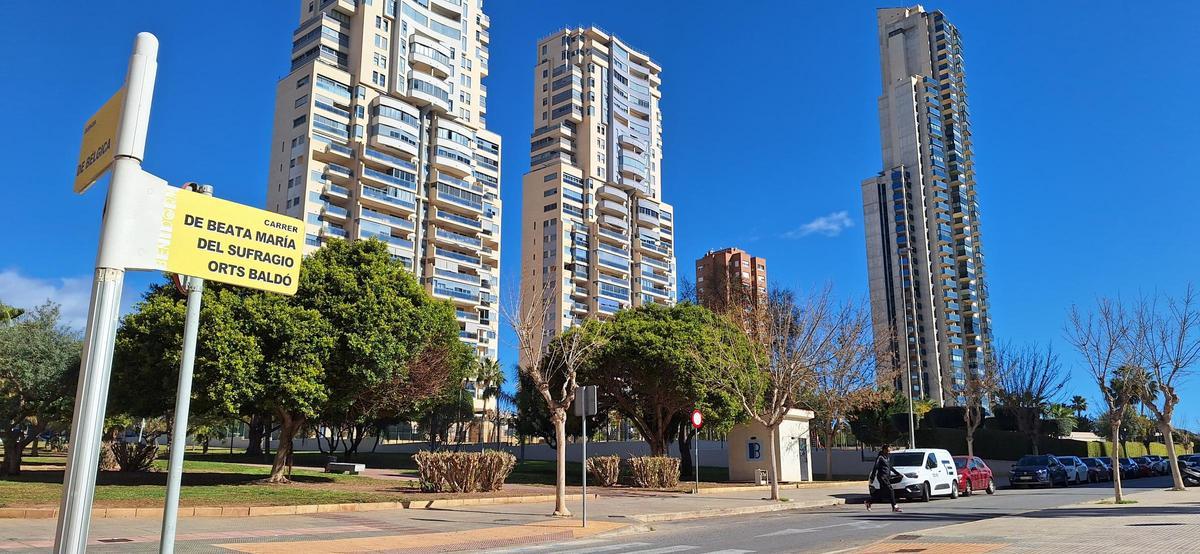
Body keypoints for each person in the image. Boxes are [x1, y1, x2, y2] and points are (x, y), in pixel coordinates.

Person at [865, 445, 901, 512]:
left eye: (889, 451)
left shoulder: (887, 457)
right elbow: (875, 467)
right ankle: (895, 506)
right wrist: (872, 477)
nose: (889, 452)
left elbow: (890, 467)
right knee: (891, 490)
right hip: (882, 477)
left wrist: (898, 474)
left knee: (882, 493)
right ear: (884, 450)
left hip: (886, 477)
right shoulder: (880, 457)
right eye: (888, 450)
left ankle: (869, 502)